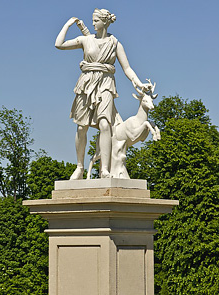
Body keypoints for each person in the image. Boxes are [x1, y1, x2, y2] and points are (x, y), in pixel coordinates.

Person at [55, 9, 149, 179]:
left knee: (105, 124)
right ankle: (80, 167)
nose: (93, 23)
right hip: (86, 84)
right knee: (81, 127)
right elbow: (59, 44)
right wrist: (68, 24)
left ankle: (104, 169)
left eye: (96, 20)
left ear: (105, 22)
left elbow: (127, 68)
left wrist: (138, 83)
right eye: (92, 20)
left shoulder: (115, 43)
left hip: (106, 84)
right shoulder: (86, 40)